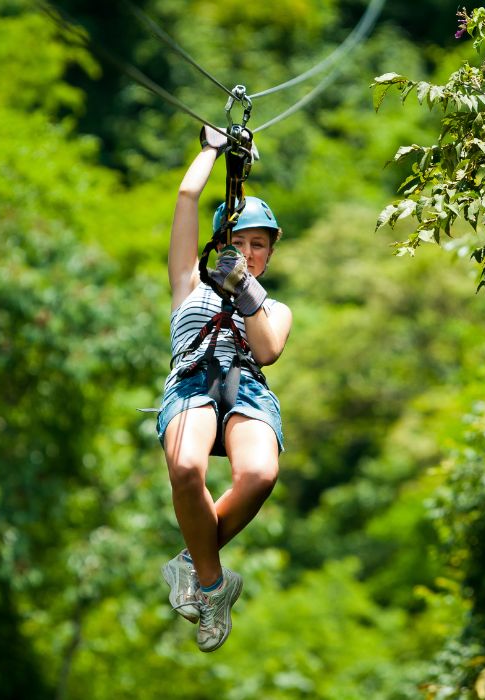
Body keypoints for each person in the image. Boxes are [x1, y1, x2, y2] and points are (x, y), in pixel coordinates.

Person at [157, 125, 292, 652]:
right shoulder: (188, 282)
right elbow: (188, 196)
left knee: (259, 473)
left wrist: (246, 289)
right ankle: (214, 585)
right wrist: (212, 151)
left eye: (259, 245)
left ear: (269, 255)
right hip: (192, 380)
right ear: (220, 244)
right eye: (238, 242)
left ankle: (193, 561)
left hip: (247, 389)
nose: (248, 251)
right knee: (187, 468)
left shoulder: (275, 307)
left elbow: (267, 351)